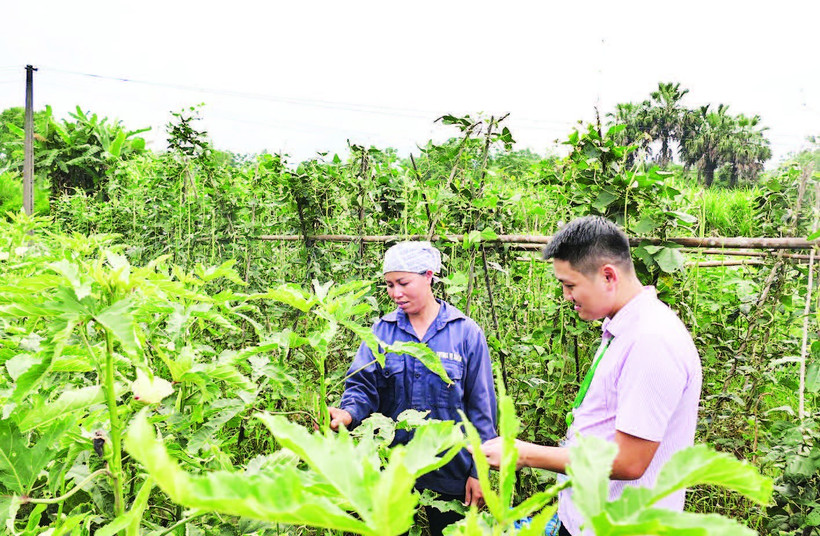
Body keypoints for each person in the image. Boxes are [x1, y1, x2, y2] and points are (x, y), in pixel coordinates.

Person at [476, 216, 702, 536]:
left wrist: (522, 454)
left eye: (570, 285)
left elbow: (628, 461)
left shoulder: (652, 340)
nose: (567, 297)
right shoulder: (624, 329)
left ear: (608, 275)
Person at [328, 241, 497, 536]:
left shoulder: (465, 332)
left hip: (450, 468)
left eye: (403, 282)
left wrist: (478, 471)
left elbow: (481, 407)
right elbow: (363, 386)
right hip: (392, 467)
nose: (396, 293)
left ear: (429, 275)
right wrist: (348, 414)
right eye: (390, 285)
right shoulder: (382, 331)